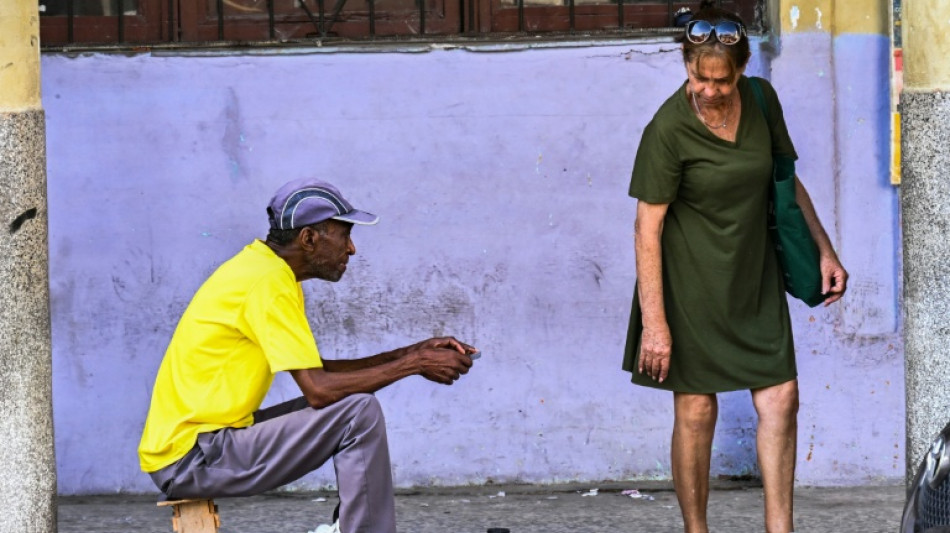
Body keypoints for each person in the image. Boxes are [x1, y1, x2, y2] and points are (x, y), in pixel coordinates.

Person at [138, 178, 477, 533]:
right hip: (194, 459)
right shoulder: (266, 283)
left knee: (354, 400)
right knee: (357, 412)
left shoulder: (266, 271)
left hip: (203, 448)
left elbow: (318, 370)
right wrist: (414, 364)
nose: (352, 249)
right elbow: (319, 389)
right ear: (310, 239)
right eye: (344, 236)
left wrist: (413, 352)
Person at [621, 2, 847, 533]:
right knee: (697, 411)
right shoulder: (667, 130)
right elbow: (645, 228)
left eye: (721, 80)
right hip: (689, 282)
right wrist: (655, 325)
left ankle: (779, 527)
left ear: (742, 69)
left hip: (753, 273)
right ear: (687, 66)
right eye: (700, 78)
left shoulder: (763, 101)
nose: (709, 90)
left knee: (782, 397)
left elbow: (785, 180)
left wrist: (824, 249)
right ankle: (696, 530)